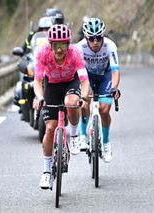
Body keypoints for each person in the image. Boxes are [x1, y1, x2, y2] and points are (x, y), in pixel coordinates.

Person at [34, 24, 90, 189]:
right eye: (56, 46)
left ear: (68, 44)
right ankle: (46, 172)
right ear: (50, 45)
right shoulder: (42, 53)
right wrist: (40, 97)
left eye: (63, 45)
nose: (59, 50)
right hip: (51, 85)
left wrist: (84, 97)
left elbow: (84, 80)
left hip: (70, 83)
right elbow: (37, 81)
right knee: (50, 128)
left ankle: (73, 136)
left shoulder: (75, 54)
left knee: (71, 103)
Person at [76, 17, 121, 163]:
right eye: (91, 38)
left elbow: (115, 71)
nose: (95, 42)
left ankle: (106, 143)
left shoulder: (110, 46)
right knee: (85, 100)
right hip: (87, 76)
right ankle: (83, 136)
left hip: (105, 77)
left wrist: (114, 88)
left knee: (104, 109)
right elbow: (78, 72)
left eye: (98, 38)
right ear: (86, 37)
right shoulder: (79, 48)